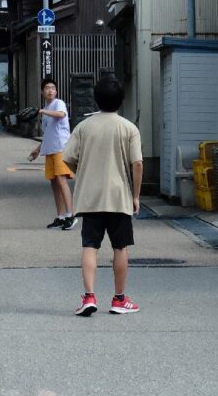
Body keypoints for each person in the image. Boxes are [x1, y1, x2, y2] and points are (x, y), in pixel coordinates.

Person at [61, 77, 142, 316]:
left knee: (90, 245)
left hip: (91, 197)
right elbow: (137, 163)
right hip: (119, 197)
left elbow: (67, 158)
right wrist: (136, 195)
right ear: (121, 100)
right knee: (120, 247)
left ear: (96, 99)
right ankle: (119, 299)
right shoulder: (129, 128)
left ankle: (89, 297)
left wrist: (83, 173)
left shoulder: (83, 127)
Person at [28, 79, 76, 230]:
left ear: (56, 91)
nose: (50, 90)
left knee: (61, 180)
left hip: (61, 148)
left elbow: (61, 114)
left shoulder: (58, 103)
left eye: (53, 88)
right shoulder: (47, 110)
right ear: (42, 92)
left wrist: (42, 111)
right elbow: (48, 133)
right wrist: (38, 149)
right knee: (54, 183)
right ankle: (61, 216)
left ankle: (71, 215)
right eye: (47, 88)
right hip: (50, 149)